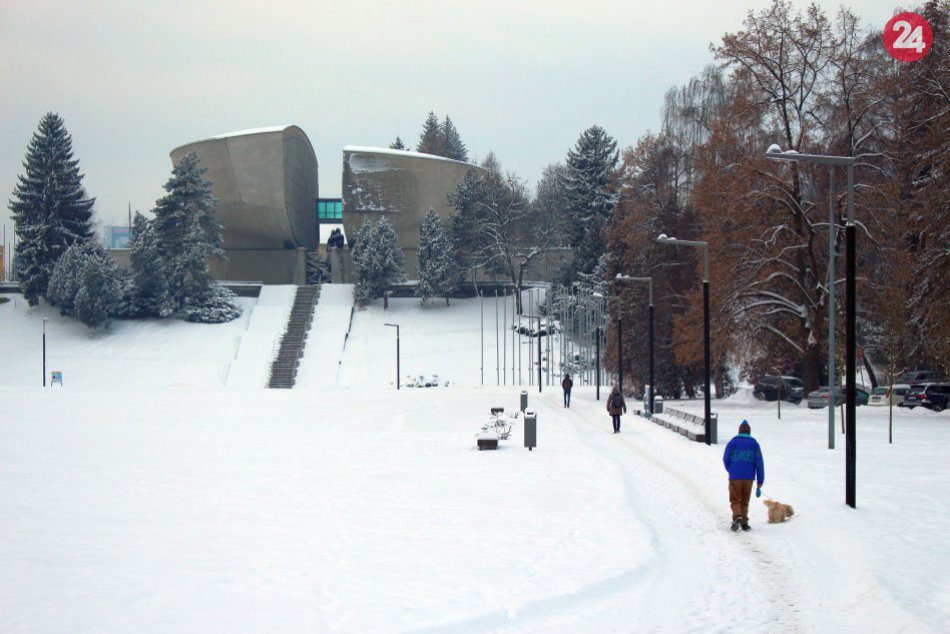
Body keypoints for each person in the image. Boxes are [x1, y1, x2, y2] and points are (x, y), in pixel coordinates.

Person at [722, 419, 765, 532]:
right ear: (749, 432)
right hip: (749, 477)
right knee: (745, 501)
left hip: (735, 476)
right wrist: (760, 480)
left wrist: (730, 470)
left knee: (735, 499)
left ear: (739, 431)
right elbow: (759, 463)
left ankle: (737, 516)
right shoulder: (755, 444)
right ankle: (744, 523)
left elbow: (726, 458)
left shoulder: (733, 442)